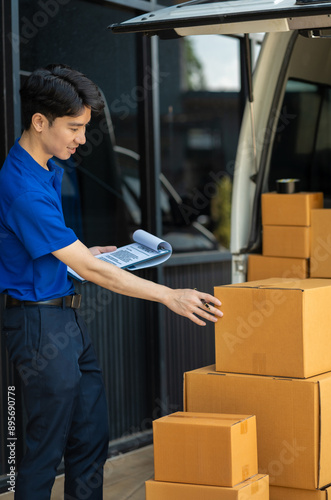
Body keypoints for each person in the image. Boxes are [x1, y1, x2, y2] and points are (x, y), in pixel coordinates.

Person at [0, 64, 223, 500]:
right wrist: (169, 295)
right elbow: (90, 270)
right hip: (38, 325)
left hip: (66, 320)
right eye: (75, 127)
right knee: (44, 451)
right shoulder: (21, 186)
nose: (82, 138)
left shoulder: (46, 168)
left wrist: (85, 252)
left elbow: (56, 252)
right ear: (39, 121)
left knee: (90, 439)